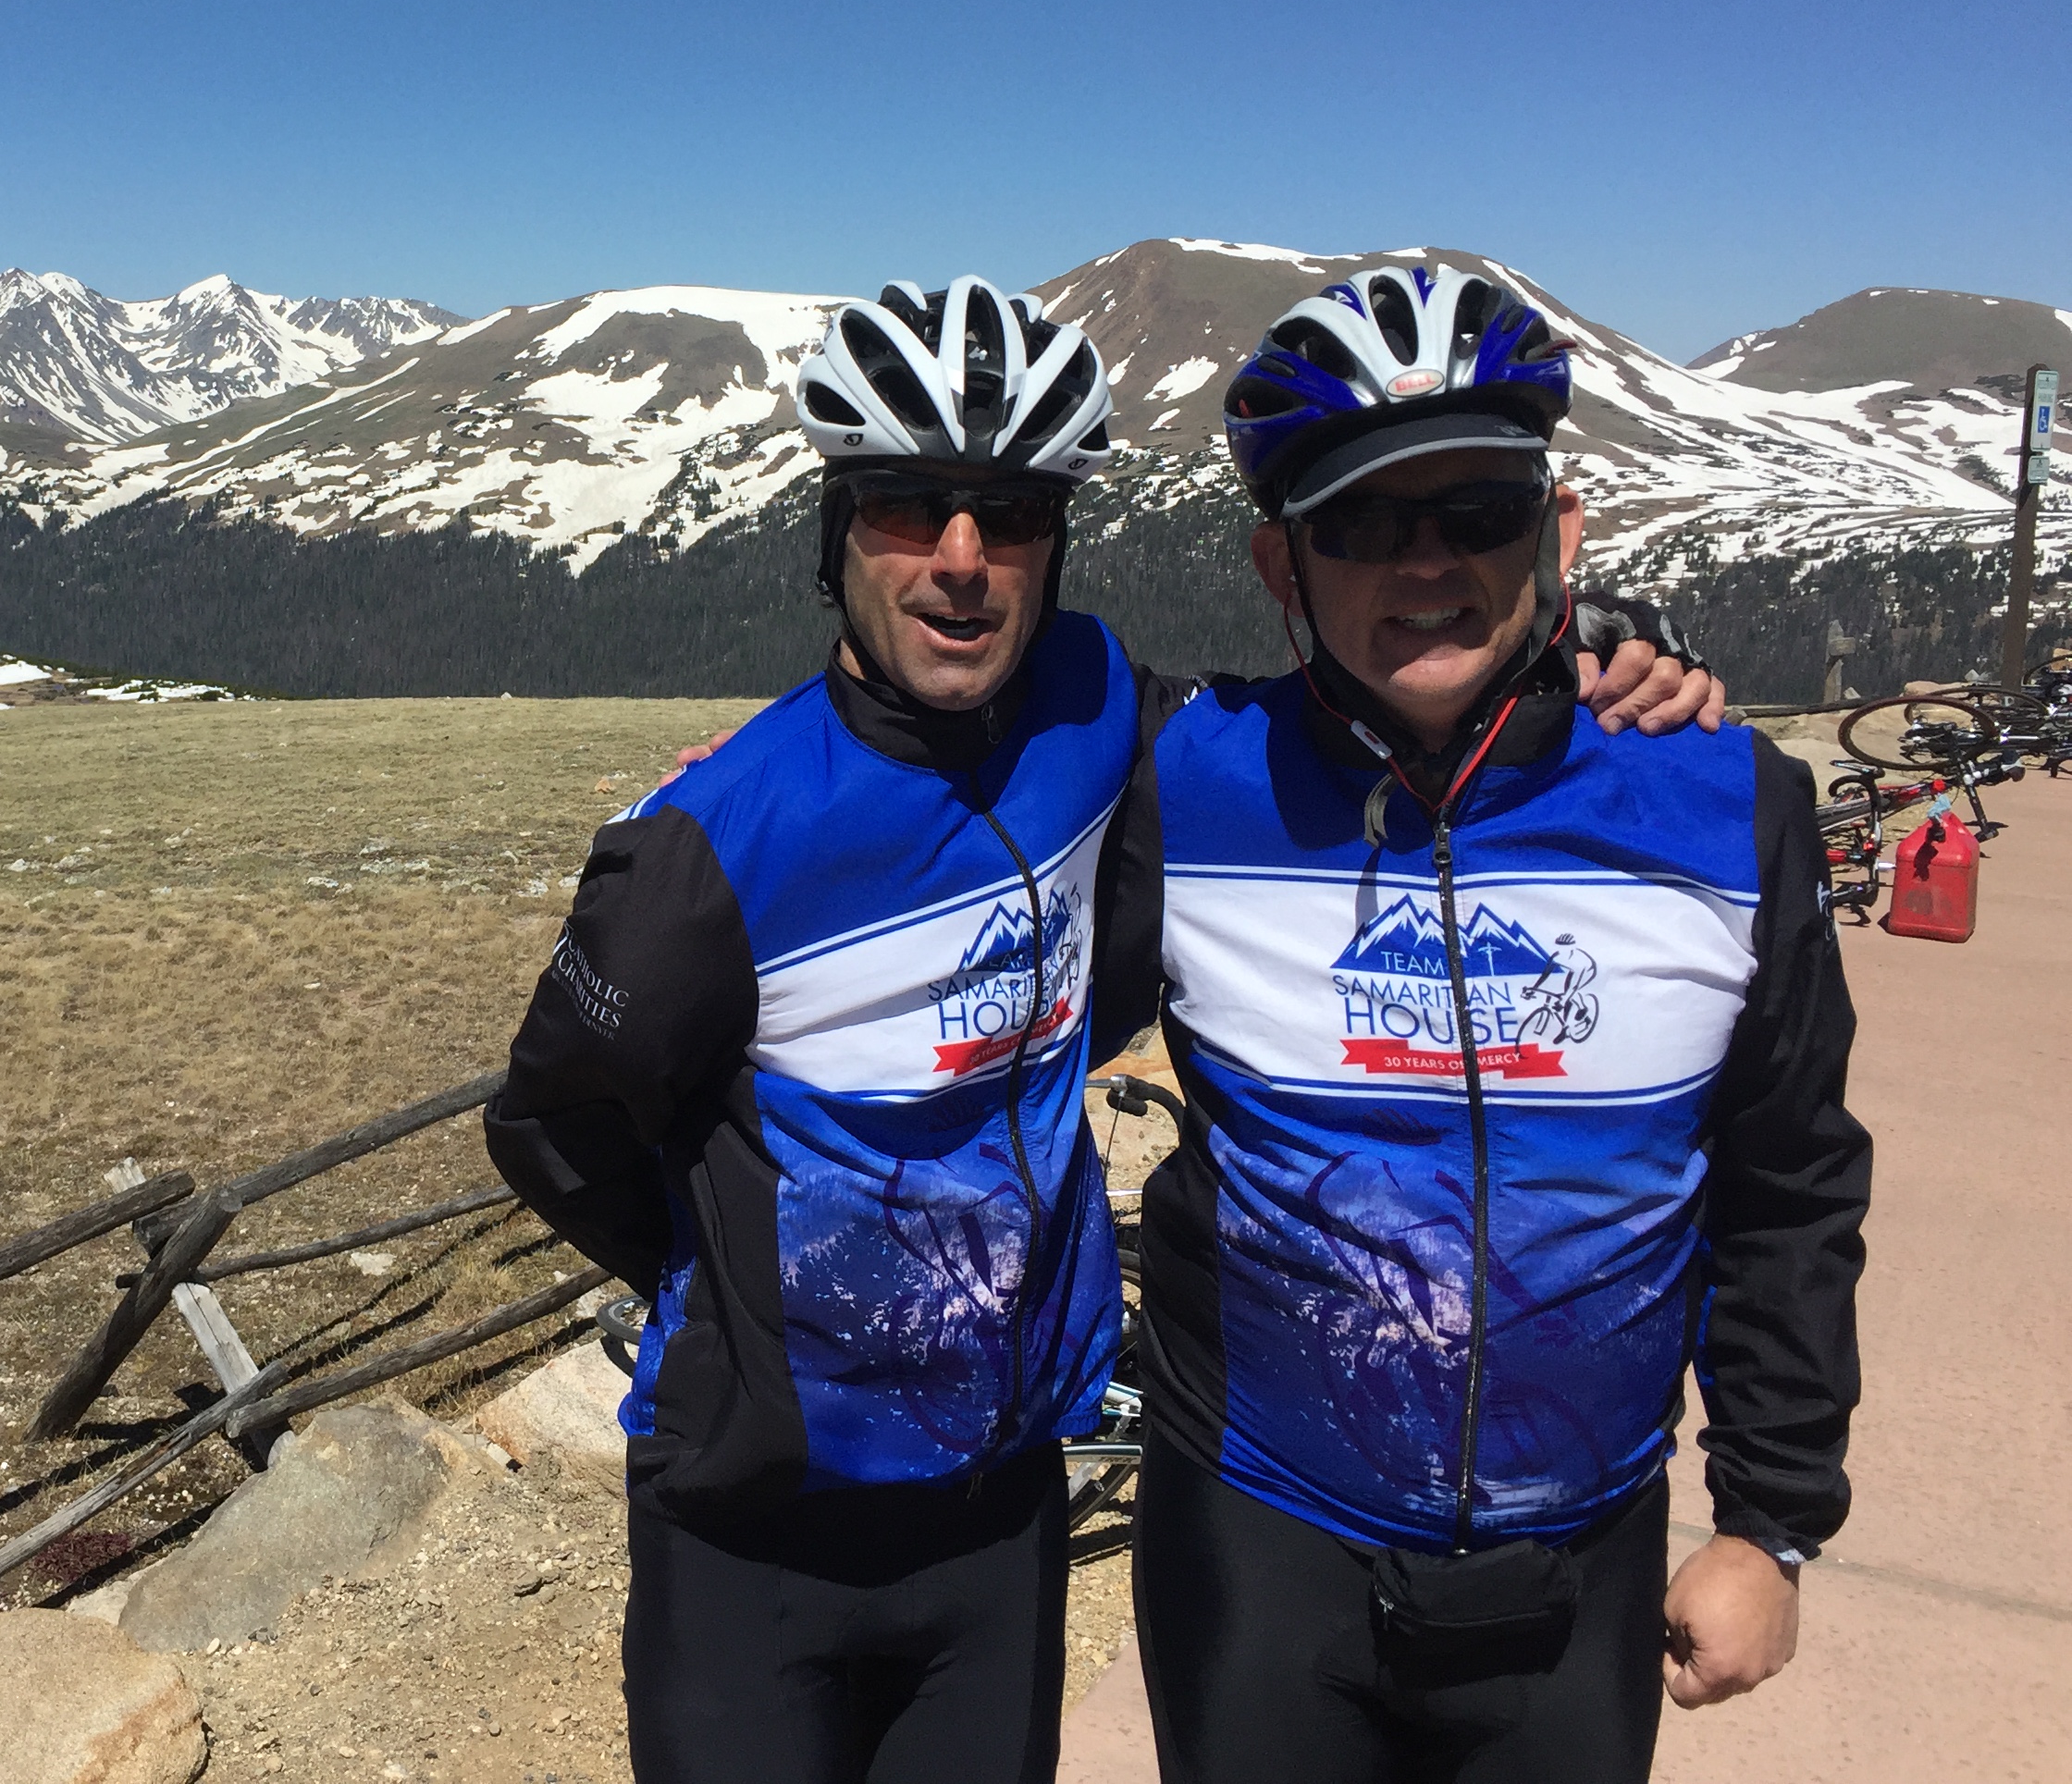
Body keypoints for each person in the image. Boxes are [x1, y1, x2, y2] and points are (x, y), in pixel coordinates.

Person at [482, 273, 1716, 1783]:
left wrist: (1586, 657)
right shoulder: (712, 846)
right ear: (831, 535)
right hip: (755, 1532)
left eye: (1007, 515)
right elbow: (552, 1129)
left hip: (1001, 1512)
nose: (959, 560)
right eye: (905, 506)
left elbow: (1330, 723)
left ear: (1054, 543)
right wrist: (739, 1296)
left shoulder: (1092, 705)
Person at [1122, 266, 1869, 1782]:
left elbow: (1789, 1181)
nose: (1423, 564)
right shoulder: (1177, 788)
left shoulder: (1727, 804)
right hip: (1259, 1537)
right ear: (1282, 563)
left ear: (1560, 529)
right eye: (1360, 524)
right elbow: (943, 796)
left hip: (1581, 1553)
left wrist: (1771, 1523)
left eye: (1474, 511)